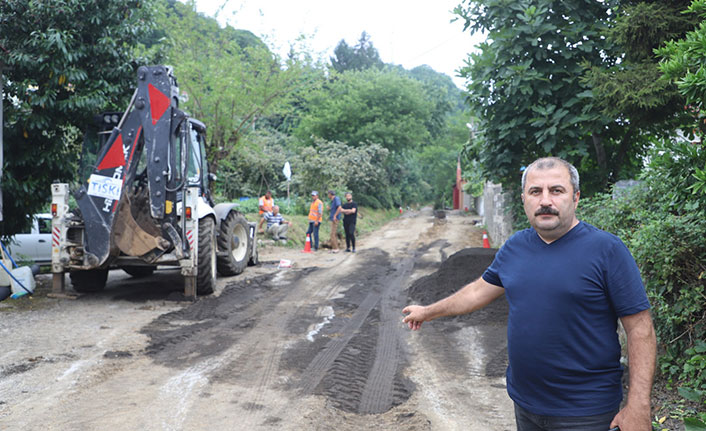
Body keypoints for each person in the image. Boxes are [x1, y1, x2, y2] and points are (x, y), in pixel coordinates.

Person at [402, 157, 656, 431]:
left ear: (576, 198)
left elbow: (641, 329)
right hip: (525, 405)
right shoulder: (515, 247)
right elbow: (476, 292)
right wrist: (428, 312)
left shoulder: (607, 251)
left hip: (586, 413)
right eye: (536, 191)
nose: (545, 200)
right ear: (524, 199)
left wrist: (638, 405)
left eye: (556, 190)